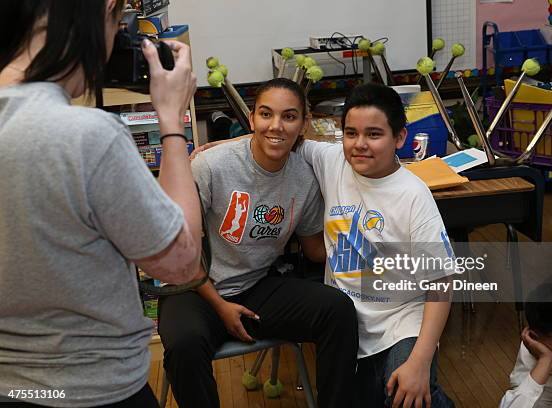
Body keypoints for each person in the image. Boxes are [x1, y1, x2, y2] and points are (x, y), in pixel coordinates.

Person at [197, 83, 456, 408]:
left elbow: (442, 283)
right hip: (350, 324)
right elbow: (277, 137)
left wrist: (420, 360)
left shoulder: (414, 195)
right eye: (351, 133)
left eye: (374, 135)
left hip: (401, 323)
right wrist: (228, 144)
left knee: (408, 397)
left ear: (399, 138)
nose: (360, 145)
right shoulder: (332, 160)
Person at [0, 1, 202, 407]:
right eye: (118, 25)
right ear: (103, 12)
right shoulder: (86, 136)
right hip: (91, 389)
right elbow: (180, 264)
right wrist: (171, 122)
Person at [158, 77, 359, 408]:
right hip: (194, 288)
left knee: (337, 311)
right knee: (185, 345)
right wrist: (221, 308)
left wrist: (367, 240)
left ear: (303, 124)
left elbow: (313, 250)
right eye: (266, 114)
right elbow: (180, 251)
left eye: (289, 116)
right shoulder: (212, 165)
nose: (276, 126)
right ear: (251, 119)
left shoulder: (304, 178)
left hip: (254, 287)